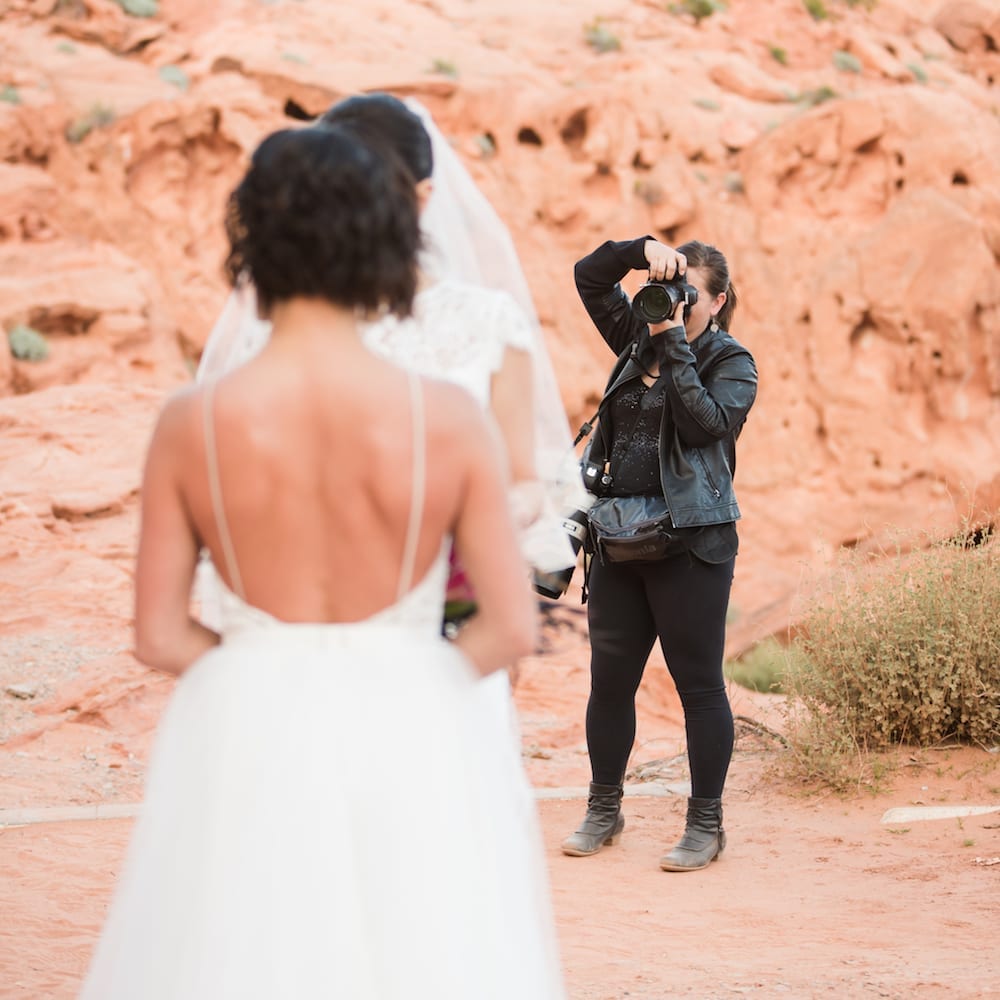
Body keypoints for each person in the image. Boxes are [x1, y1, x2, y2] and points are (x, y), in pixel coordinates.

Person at [79, 126, 566, 999]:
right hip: (412, 721)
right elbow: (510, 625)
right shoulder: (446, 420)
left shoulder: (191, 423)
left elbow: (157, 634)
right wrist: (410, 680)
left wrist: (266, 671)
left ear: (253, 245)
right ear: (388, 242)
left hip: (247, 727)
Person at [196, 92, 580, 724]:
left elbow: (524, 484)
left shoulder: (485, 324)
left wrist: (462, 534)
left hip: (440, 634)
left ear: (423, 198)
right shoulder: (272, 332)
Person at [560, 235, 757, 872]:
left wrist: (673, 340)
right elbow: (589, 277)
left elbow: (704, 425)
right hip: (619, 538)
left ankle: (706, 825)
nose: (672, 302)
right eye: (672, 287)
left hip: (692, 544)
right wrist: (640, 251)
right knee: (609, 685)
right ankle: (603, 807)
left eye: (688, 293)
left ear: (718, 300)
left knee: (698, 687)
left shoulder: (733, 362)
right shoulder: (635, 338)